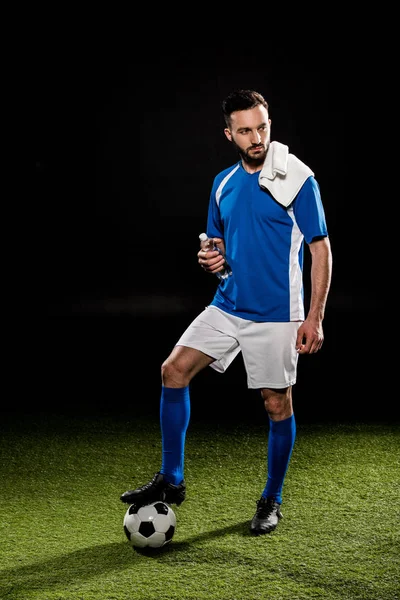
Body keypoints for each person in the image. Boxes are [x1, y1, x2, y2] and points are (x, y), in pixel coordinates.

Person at [120, 89, 332, 535]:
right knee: (173, 370)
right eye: (245, 130)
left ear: (269, 124)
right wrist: (211, 260)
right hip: (229, 303)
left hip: (278, 313)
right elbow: (216, 247)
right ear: (229, 134)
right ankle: (172, 478)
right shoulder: (223, 183)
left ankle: (271, 498)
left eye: (262, 127)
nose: (256, 137)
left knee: (276, 403)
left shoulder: (298, 178)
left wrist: (315, 316)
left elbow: (321, 248)